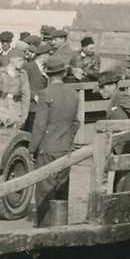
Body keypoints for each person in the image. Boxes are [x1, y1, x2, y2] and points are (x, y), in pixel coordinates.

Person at [28, 56, 82, 223]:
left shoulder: (45, 94)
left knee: (45, 191)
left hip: (47, 150)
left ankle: (45, 229)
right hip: (65, 149)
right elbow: (76, 122)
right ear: (63, 73)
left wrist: (32, 149)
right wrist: (68, 140)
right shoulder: (74, 94)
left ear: (47, 75)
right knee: (61, 189)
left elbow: (39, 125)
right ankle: (60, 225)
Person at [96, 69, 130, 192]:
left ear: (113, 85)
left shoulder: (121, 97)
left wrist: (126, 129)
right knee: (119, 183)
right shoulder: (112, 101)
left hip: (128, 146)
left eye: (104, 87)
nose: (101, 91)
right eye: (100, 88)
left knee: (125, 185)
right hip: (119, 148)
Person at [0, 46, 32, 127]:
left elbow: (26, 96)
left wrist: (24, 117)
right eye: (20, 60)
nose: (22, 62)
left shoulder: (22, 75)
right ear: (12, 60)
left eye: (23, 60)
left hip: (15, 111)